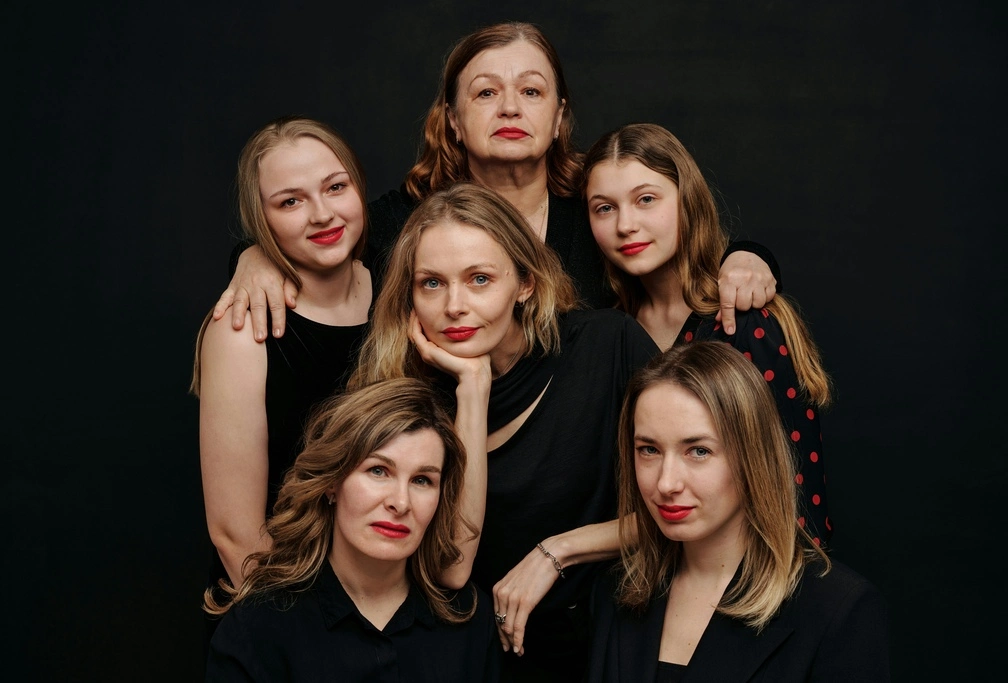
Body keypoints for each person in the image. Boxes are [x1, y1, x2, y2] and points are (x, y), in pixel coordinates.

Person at [213, 21, 780, 342]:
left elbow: (687, 248)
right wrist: (255, 256)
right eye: (486, 92)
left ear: (559, 117)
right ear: (454, 121)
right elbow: (318, 239)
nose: (510, 106)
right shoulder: (407, 218)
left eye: (531, 91)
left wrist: (750, 256)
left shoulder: (599, 206)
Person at [347, 181, 662, 681]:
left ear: (524, 283)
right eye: (431, 283)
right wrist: (473, 389)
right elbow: (451, 567)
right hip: (482, 659)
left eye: (479, 279)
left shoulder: (607, 347)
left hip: (620, 642)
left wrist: (558, 550)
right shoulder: (403, 398)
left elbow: (694, 504)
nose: (453, 306)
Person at [582, 123, 833, 546]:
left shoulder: (743, 322)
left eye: (646, 199)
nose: (626, 224)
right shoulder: (606, 332)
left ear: (687, 201)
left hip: (747, 591)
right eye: (604, 208)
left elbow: (794, 499)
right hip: (634, 589)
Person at [587, 341, 890, 682]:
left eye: (698, 451)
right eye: (649, 449)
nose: (666, 483)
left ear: (752, 457)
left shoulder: (837, 611)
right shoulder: (615, 592)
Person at [189, 116, 372, 635]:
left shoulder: (398, 282)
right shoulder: (242, 330)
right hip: (282, 611)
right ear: (261, 220)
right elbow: (234, 533)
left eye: (336, 187)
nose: (323, 214)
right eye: (290, 201)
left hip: (387, 606)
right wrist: (324, 641)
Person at [205, 377, 501, 682]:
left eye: (422, 480)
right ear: (332, 483)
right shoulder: (259, 627)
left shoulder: (468, 619)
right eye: (378, 471)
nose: (401, 503)